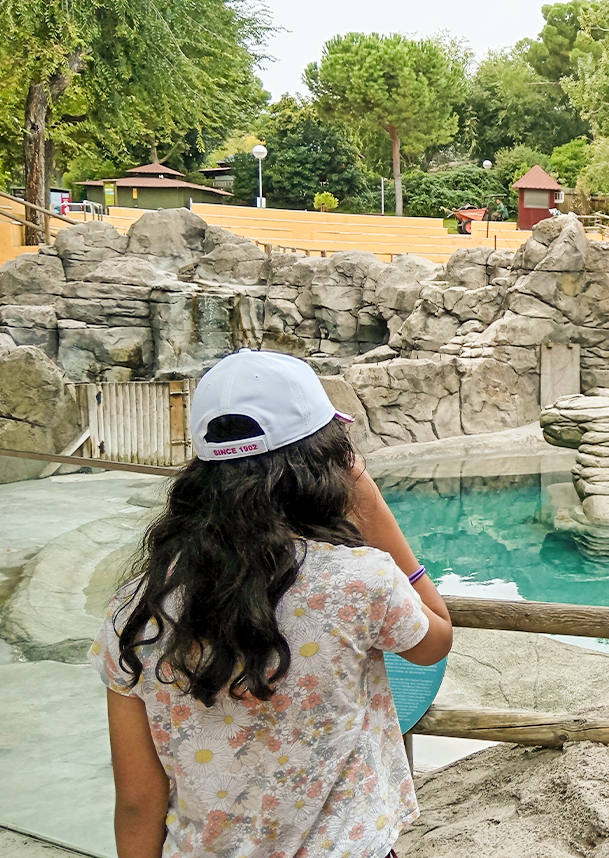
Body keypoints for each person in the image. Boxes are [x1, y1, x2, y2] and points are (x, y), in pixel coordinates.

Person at [91, 349, 453, 858]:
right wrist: (369, 500)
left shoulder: (135, 610)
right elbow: (435, 638)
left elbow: (136, 801)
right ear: (325, 463)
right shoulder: (360, 581)